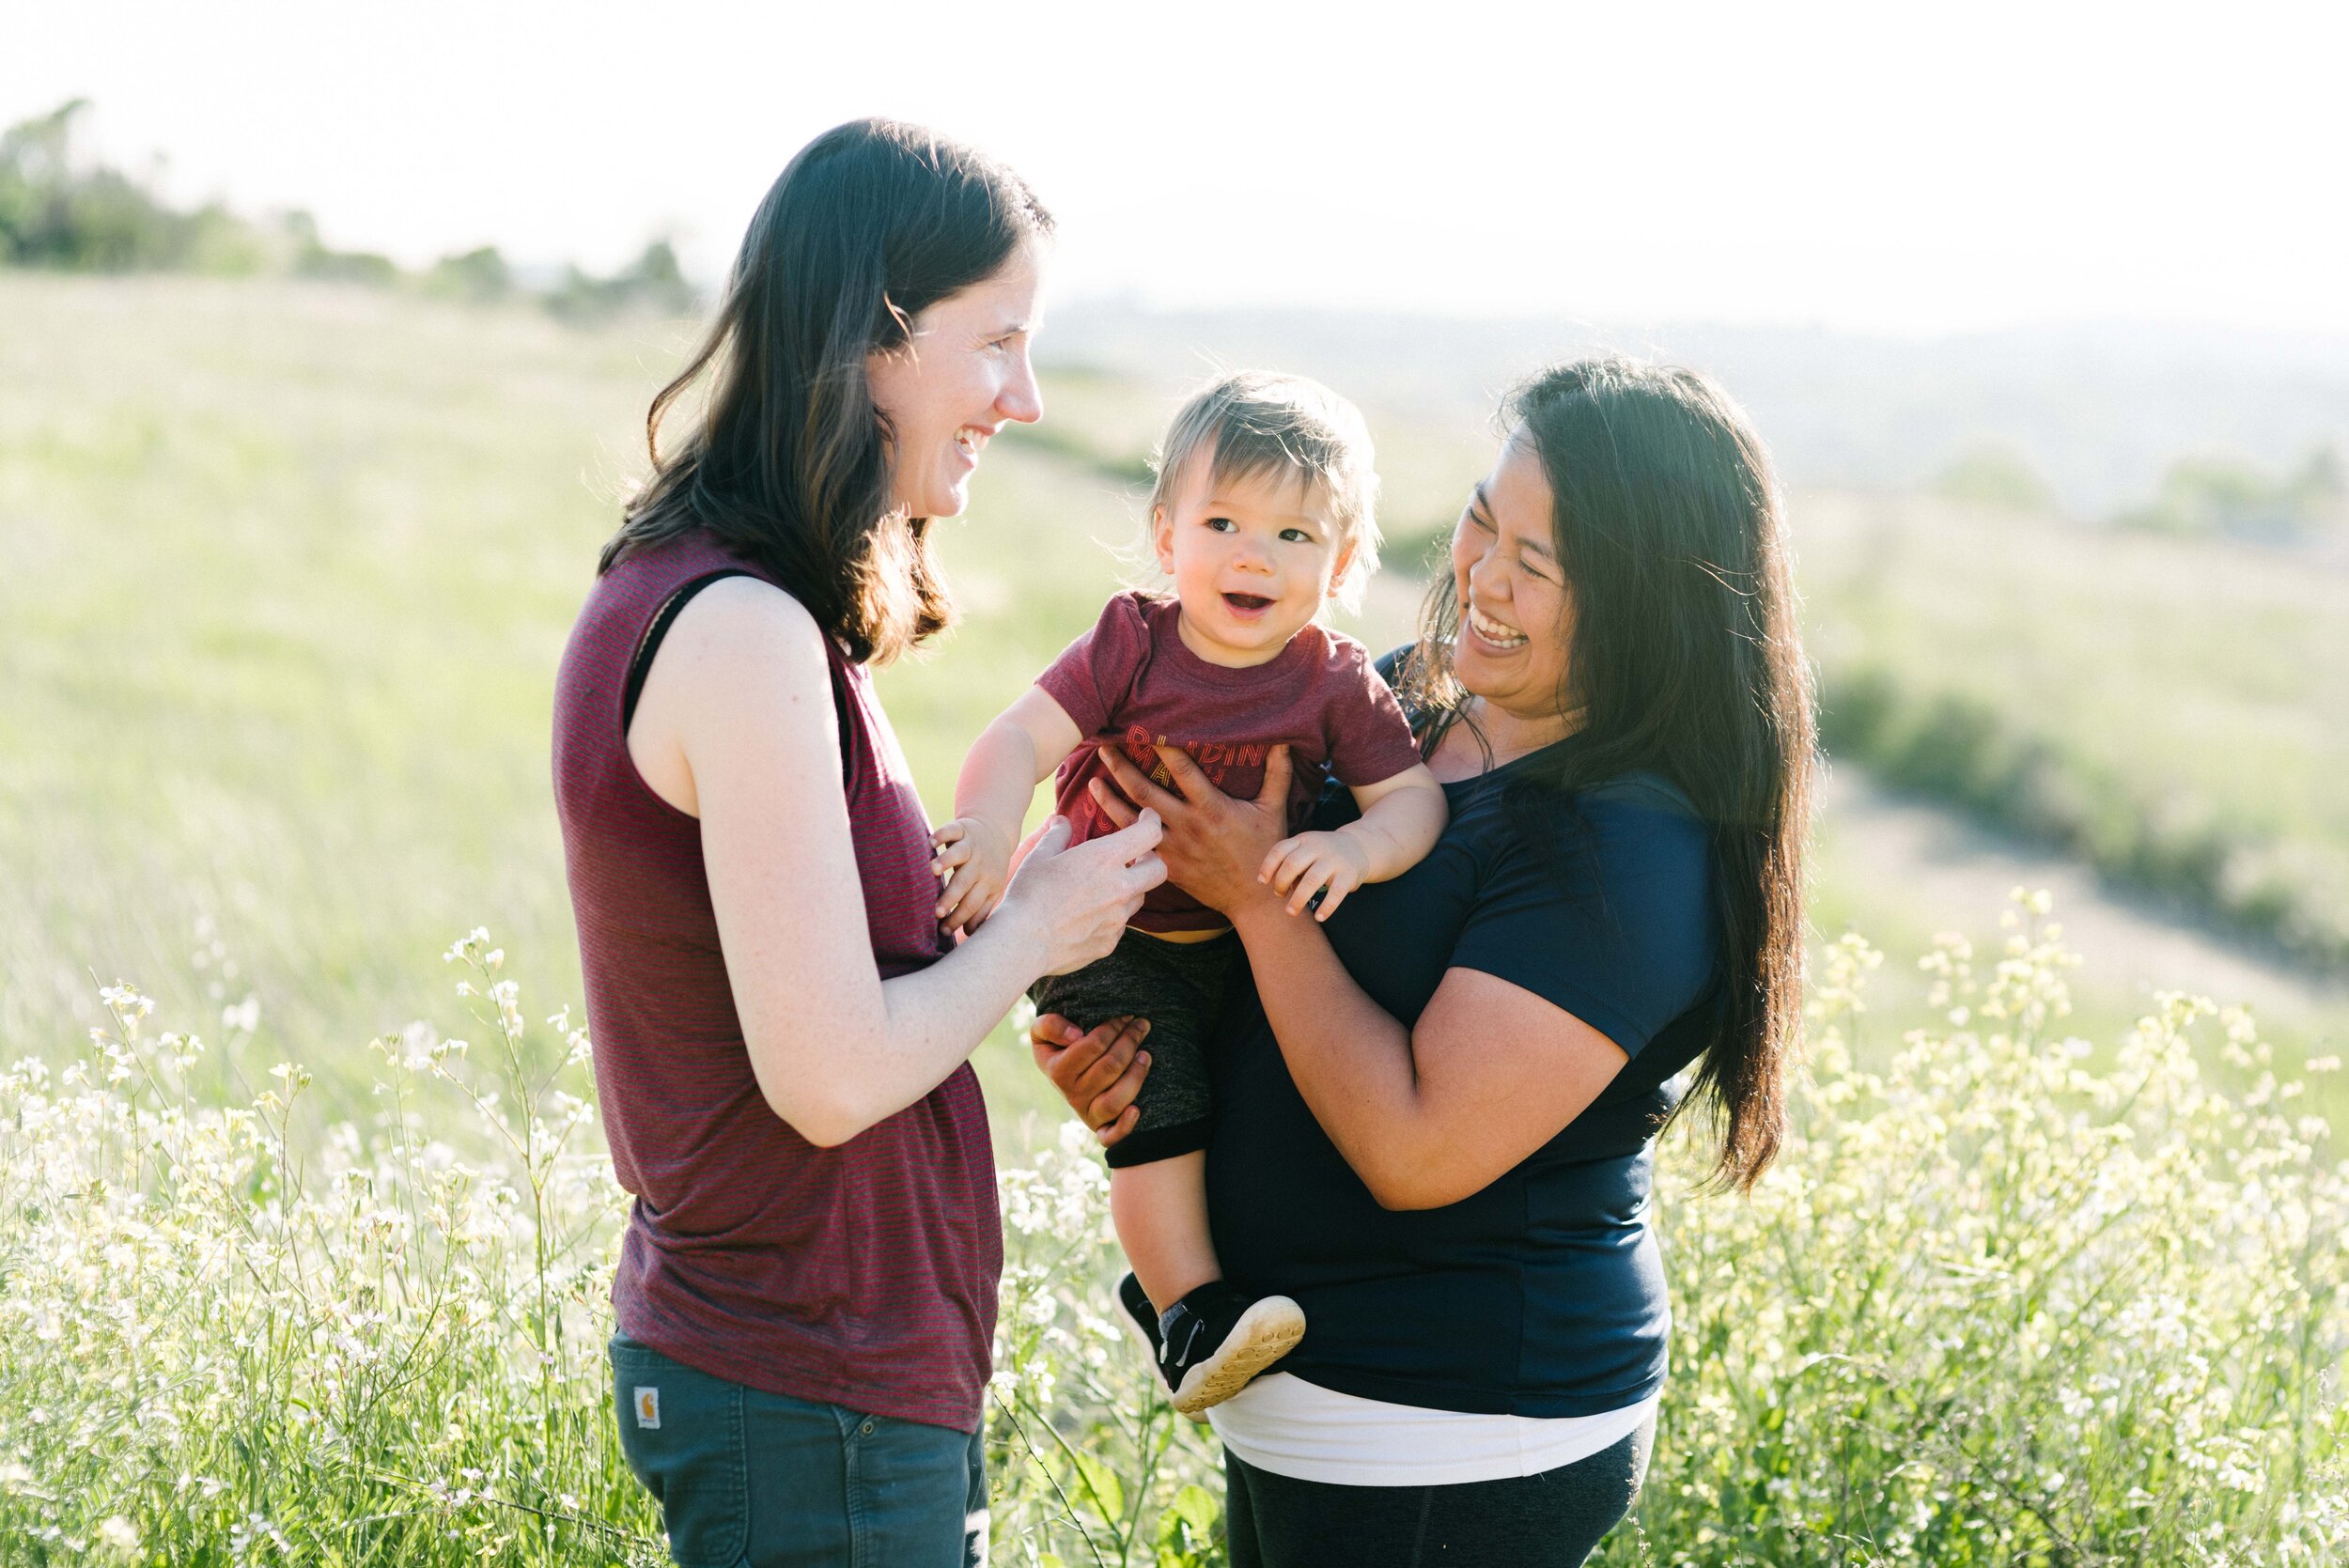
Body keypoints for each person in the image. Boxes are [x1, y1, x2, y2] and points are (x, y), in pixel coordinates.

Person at [1035, 358, 1814, 1567]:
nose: (1482, 579)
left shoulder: (1631, 845)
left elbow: (1415, 1149)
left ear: (1647, 599)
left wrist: (1256, 901)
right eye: (1482, 521)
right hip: (1305, 1410)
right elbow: (1259, 976)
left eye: (1538, 566)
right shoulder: (1404, 700)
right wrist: (1137, 1047)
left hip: (1453, 1437)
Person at [552, 119, 1163, 1568]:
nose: (1022, 397)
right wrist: (1032, 929)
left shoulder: (746, 606)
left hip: (828, 1383)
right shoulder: (741, 628)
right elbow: (827, 1077)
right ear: (874, 338)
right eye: (997, 340)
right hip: (803, 1387)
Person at [935, 372, 1447, 1416]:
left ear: (1344, 563)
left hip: (1239, 941)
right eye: (1222, 522)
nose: (1253, 554)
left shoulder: (1336, 681)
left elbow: (1414, 805)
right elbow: (1017, 738)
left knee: (1246, 1101)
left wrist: (1356, 852)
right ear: (1167, 536)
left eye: (1295, 535)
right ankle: (1189, 1313)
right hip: (1103, 926)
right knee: (1156, 1109)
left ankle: (1232, 1283)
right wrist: (990, 830)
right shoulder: (1133, 642)